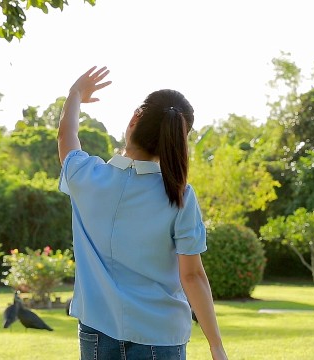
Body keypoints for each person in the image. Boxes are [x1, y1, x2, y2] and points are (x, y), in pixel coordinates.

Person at [58, 66, 228, 360]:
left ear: (135, 119)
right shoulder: (180, 196)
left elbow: (66, 136)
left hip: (98, 331)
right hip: (160, 336)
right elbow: (193, 277)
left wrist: (75, 94)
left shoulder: (85, 176)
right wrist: (216, 346)